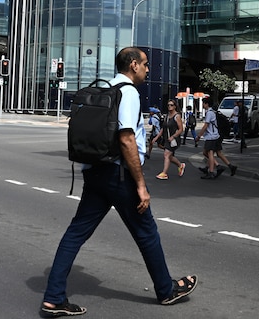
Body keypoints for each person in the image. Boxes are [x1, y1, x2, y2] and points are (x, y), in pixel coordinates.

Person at [40, 47, 197, 316]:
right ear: (134, 65)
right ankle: (166, 290)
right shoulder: (128, 92)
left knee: (76, 233)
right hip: (119, 174)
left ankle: (54, 297)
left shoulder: (106, 88)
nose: (149, 69)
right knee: (147, 232)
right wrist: (140, 185)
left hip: (95, 171)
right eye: (146, 64)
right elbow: (126, 138)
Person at [151, 101, 185, 179]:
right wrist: (156, 137)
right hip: (167, 139)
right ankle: (180, 165)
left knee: (166, 154)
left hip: (174, 139)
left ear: (175, 106)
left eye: (171, 105)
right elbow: (163, 128)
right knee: (169, 156)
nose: (169, 106)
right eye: (168, 105)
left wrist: (173, 136)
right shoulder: (167, 116)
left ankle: (164, 173)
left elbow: (180, 129)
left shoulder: (177, 116)